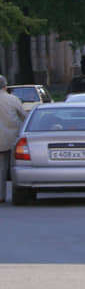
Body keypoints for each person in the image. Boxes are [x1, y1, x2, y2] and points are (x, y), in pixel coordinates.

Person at [0, 75, 27, 203]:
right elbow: (24, 117)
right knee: (12, 167)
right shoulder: (13, 99)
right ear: (5, 86)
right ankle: (13, 193)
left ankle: (1, 195)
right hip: (10, 140)